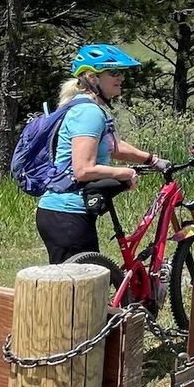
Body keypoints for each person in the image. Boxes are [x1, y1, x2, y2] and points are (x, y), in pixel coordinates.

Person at [35, 44, 171, 265]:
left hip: (69, 213)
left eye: (122, 72)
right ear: (92, 77)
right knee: (80, 284)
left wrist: (151, 160)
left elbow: (113, 147)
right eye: (114, 72)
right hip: (66, 213)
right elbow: (83, 170)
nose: (121, 78)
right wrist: (125, 173)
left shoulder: (92, 108)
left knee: (90, 279)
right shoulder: (88, 112)